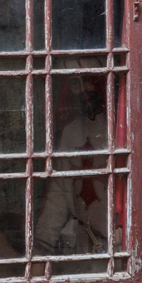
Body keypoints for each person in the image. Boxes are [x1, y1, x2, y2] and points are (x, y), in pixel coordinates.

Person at [34, 75, 108, 256]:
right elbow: (59, 191)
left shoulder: (118, 127)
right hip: (83, 240)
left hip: (116, 237)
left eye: (88, 81)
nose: (83, 90)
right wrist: (43, 242)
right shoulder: (70, 131)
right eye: (76, 84)